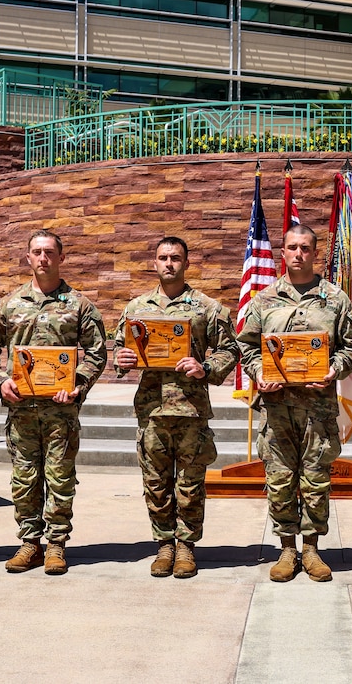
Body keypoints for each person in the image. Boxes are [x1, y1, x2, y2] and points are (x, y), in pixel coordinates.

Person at [0, 229, 107, 575]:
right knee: (24, 478)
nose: (43, 258)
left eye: (50, 252)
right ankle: (29, 542)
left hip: (61, 412)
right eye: (37, 251)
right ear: (28, 257)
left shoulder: (79, 305)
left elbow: (97, 352)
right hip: (21, 411)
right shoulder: (9, 304)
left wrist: (78, 383)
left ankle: (56, 545)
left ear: (61, 258)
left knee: (60, 478)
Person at [237, 224, 352, 583]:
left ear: (315, 252)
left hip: (318, 410)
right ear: (283, 252)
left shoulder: (335, 299)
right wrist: (260, 372)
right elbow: (246, 346)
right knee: (279, 480)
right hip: (276, 409)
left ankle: (311, 548)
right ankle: (287, 548)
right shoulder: (264, 300)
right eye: (292, 247)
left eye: (305, 248)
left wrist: (333, 370)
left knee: (316, 480)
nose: (298, 254)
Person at [113, 237, 238, 579]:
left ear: (186, 263)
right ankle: (164, 544)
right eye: (163, 257)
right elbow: (117, 349)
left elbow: (230, 349)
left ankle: (186, 546)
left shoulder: (207, 308)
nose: (169, 263)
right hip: (152, 412)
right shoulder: (136, 308)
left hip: (191, 412)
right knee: (155, 484)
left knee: (190, 484)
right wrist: (121, 359)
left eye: (176, 258)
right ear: (154, 262)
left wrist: (206, 368)